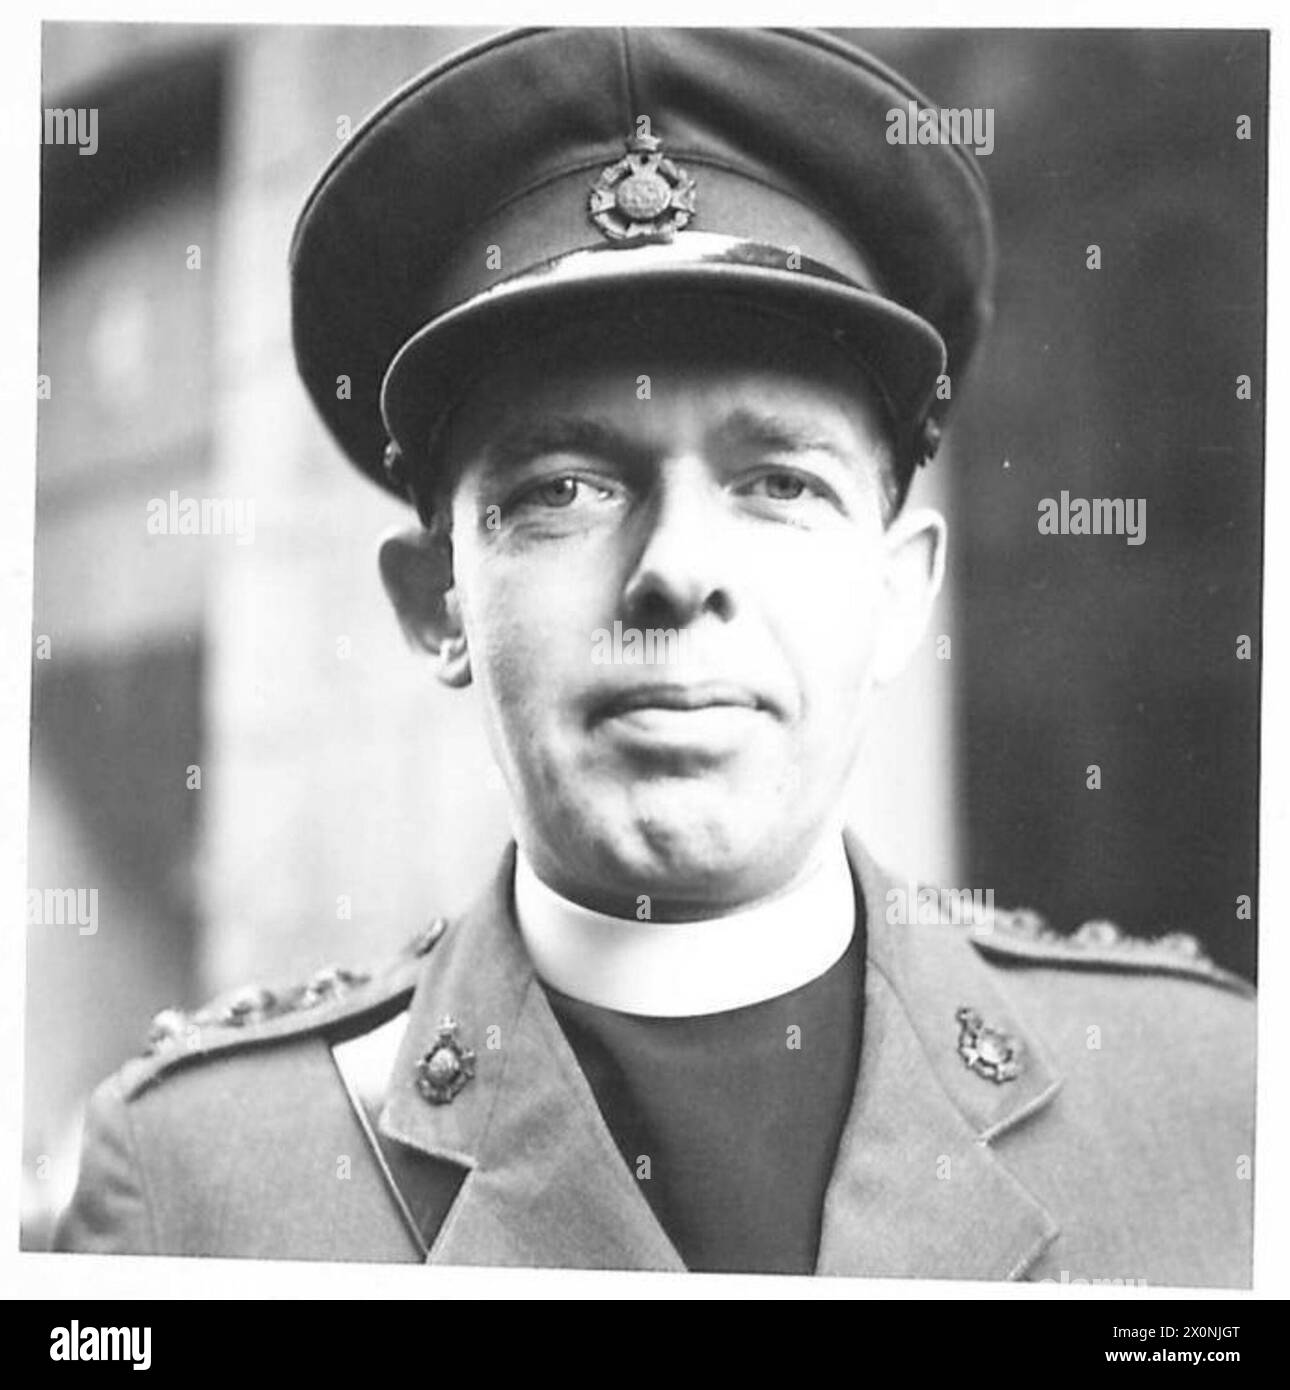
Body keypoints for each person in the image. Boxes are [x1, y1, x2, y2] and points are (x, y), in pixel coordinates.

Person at [55, 26, 1254, 1285]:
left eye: (778, 480)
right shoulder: (198, 1184)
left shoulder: (1208, 1107)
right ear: (438, 604)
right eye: (566, 485)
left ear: (898, 595)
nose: (677, 570)